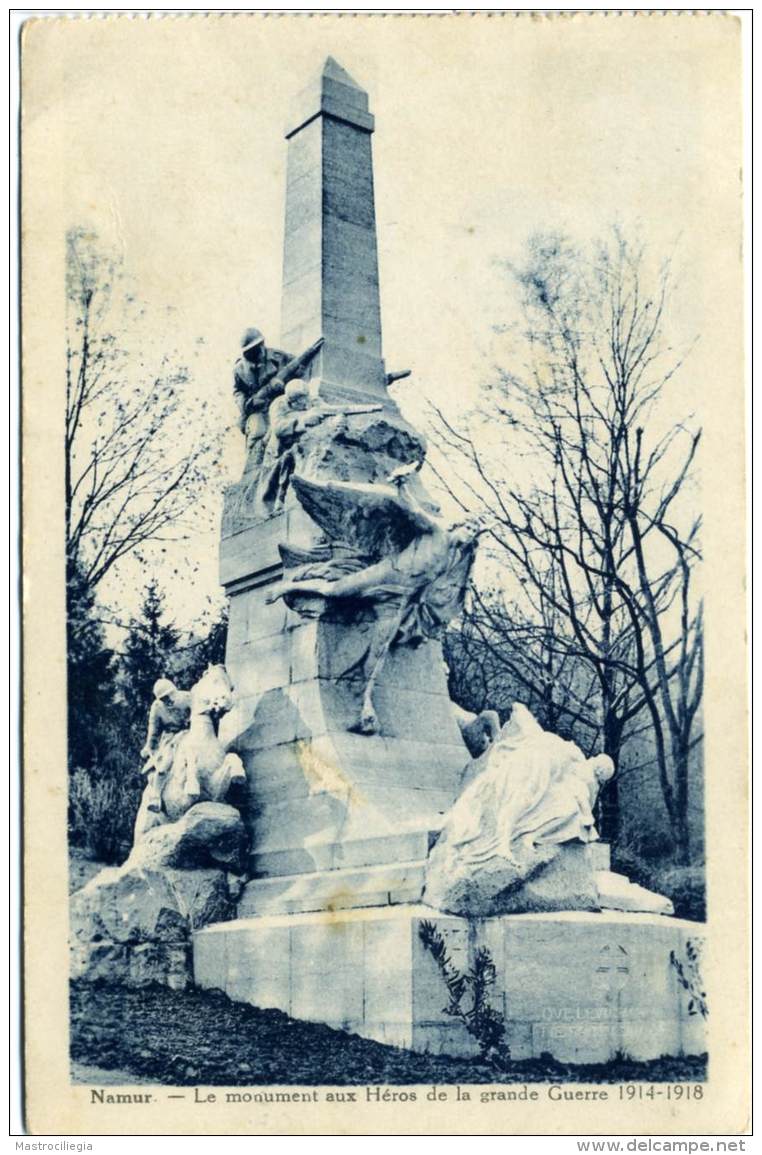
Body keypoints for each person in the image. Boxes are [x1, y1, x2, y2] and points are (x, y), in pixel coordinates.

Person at [140, 678, 192, 814]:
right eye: (163, 699)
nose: (167, 701)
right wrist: (148, 747)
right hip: (171, 739)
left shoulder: (188, 697)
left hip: (191, 733)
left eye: (168, 696)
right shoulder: (157, 707)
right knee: (165, 764)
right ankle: (155, 797)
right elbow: (154, 731)